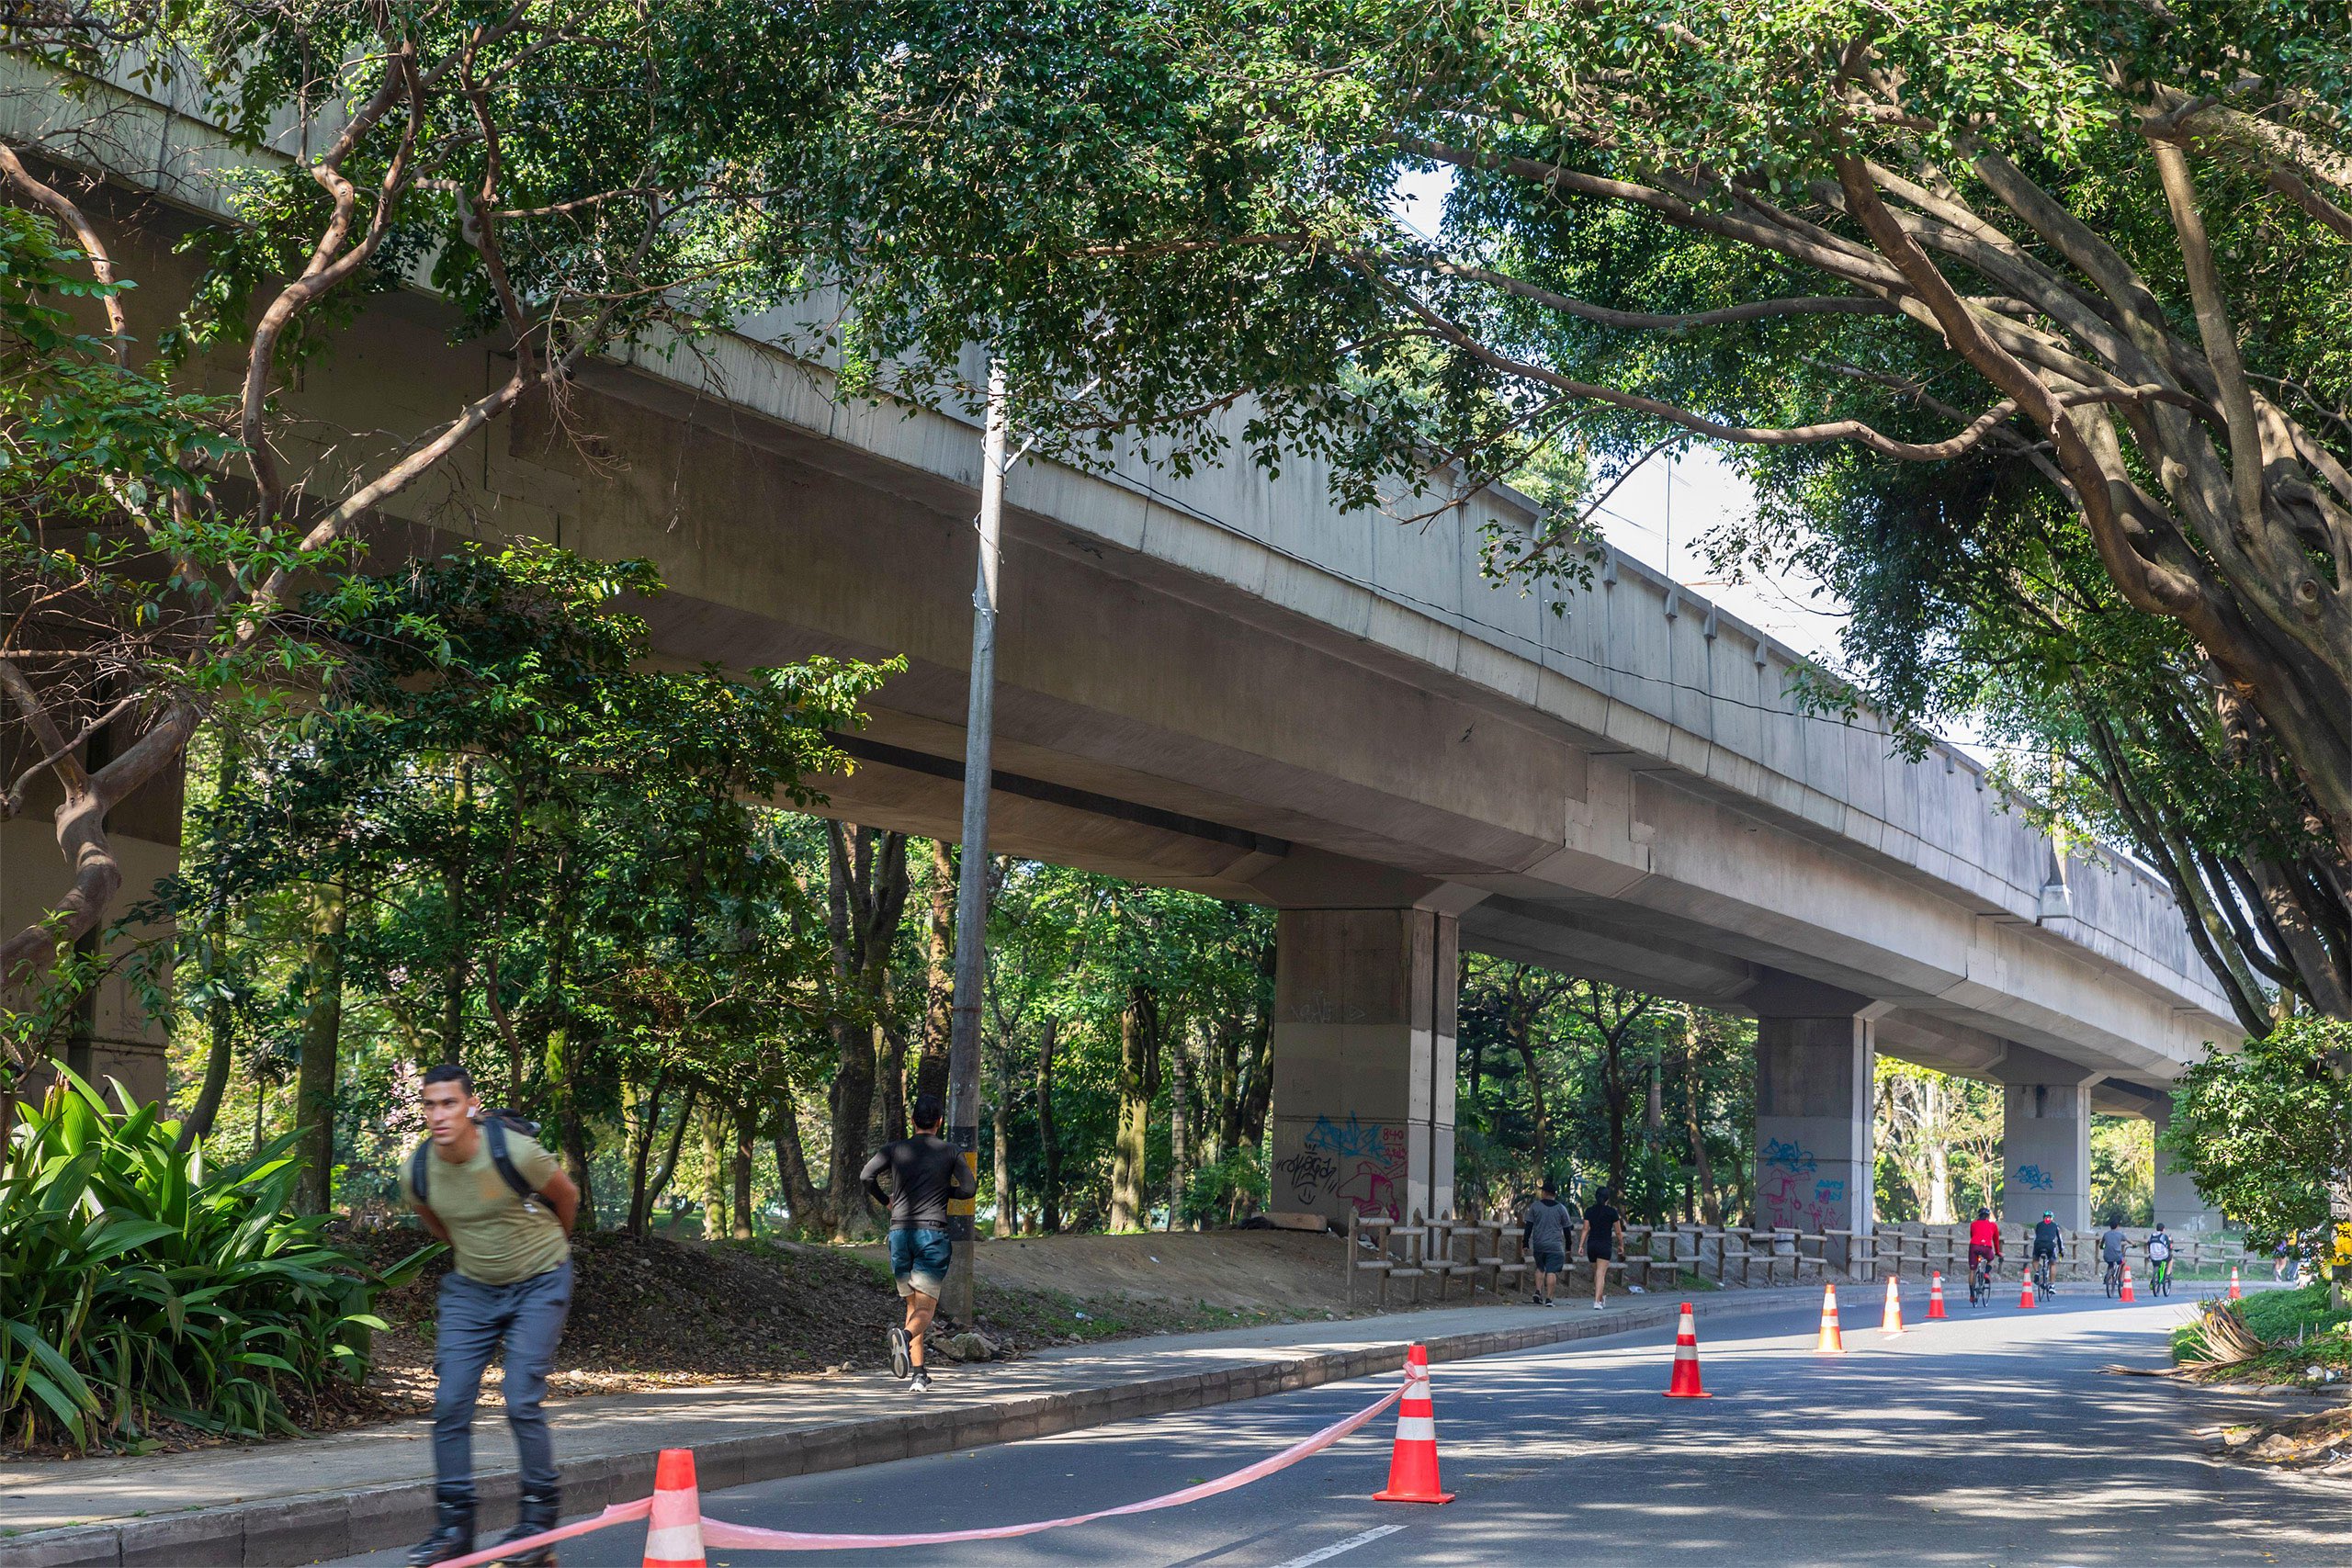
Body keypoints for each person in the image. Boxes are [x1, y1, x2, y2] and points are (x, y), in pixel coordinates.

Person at [403, 1065, 580, 1568]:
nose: (439, 1115)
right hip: (472, 1291)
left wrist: (546, 1250)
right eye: (430, 1105)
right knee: (451, 1400)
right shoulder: (417, 1170)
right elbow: (437, 1222)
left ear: (470, 1105)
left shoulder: (515, 1152)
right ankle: (455, 1528)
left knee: (521, 1396)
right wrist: (480, 1257)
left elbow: (566, 1198)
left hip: (541, 1280)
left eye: (449, 1104)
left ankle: (538, 1524)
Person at [861, 1092, 977, 1395]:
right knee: (924, 1312)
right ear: (940, 1122)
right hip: (931, 1236)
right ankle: (903, 1335)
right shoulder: (950, 1151)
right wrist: (943, 1192)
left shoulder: (895, 1149)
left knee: (912, 1305)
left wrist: (886, 1200)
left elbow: (866, 1175)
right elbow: (968, 1189)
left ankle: (918, 1374)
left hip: (899, 1235)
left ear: (913, 1122)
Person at [1521, 1182, 1574, 1305]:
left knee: (1540, 1267)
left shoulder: (1535, 1206)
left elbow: (1529, 1226)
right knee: (1551, 1271)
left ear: (1544, 1192)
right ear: (1555, 1194)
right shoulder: (1561, 1208)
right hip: (1555, 1246)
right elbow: (1567, 1229)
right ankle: (1549, 1299)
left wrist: (1525, 1243)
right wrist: (1568, 1246)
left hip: (1539, 1244)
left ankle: (1538, 1292)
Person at [1576, 1186, 1624, 1311]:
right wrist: (1620, 1245)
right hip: (1604, 1245)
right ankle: (1597, 1301)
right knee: (1601, 1274)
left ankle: (1601, 1299)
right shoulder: (1612, 1212)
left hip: (1592, 1245)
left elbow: (1586, 1229)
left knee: (1597, 1274)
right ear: (1607, 1198)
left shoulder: (1589, 1211)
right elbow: (1618, 1232)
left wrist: (1581, 1245)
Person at [1966, 1206, 2002, 1297]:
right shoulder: (1993, 1225)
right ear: (1988, 1216)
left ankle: (1971, 1295)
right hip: (1986, 1247)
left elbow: (1972, 1235)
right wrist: (1997, 1252)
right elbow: (1996, 1241)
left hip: (1974, 1246)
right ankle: (1986, 1273)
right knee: (1990, 1260)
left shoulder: (1973, 1224)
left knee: (1972, 1270)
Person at [2030, 1210, 2064, 1293]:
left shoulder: (2038, 1225)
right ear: (2052, 1219)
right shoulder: (2055, 1226)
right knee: (2052, 1263)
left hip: (2038, 1245)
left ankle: (2038, 1272)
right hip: (2050, 1245)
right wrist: (2060, 1251)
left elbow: (2036, 1237)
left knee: (2035, 1260)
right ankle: (2052, 1285)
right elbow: (2059, 1240)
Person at [2100, 1217, 2129, 1292]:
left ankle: (2107, 1275)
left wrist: (2102, 1247)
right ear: (2117, 1226)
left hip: (2106, 1256)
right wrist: (2134, 1244)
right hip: (2117, 1256)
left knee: (2110, 1264)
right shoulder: (2120, 1234)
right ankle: (2121, 1279)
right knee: (2123, 1262)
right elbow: (2128, 1240)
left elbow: (2102, 1244)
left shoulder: (2106, 1234)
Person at [2146, 1224, 2175, 1294]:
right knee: (2170, 1259)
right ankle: (2167, 1275)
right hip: (2163, 1256)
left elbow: (2148, 1244)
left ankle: (2153, 1279)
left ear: (2156, 1229)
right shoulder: (2164, 1236)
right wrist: (2170, 1241)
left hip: (2153, 1256)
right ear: (2163, 1229)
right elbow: (2169, 1246)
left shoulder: (2152, 1235)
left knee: (2156, 1264)